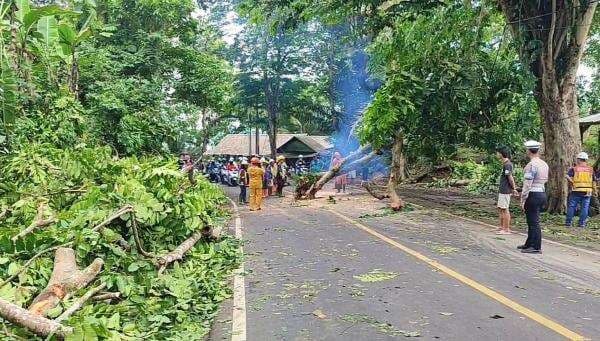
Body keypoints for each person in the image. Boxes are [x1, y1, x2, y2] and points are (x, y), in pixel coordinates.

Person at [518, 140, 549, 254]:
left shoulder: (531, 165)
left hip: (533, 193)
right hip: (542, 192)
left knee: (533, 221)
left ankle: (536, 246)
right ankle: (529, 243)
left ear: (528, 151)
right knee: (531, 220)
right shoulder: (544, 164)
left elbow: (527, 183)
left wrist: (523, 198)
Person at [566, 152, 596, 228]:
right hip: (587, 191)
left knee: (572, 206)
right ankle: (582, 224)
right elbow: (594, 180)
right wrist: (594, 190)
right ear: (586, 160)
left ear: (579, 159)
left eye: (577, 159)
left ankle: (568, 223)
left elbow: (567, 176)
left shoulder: (574, 169)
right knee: (585, 207)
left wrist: (572, 181)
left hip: (576, 190)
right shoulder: (590, 169)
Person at [495, 146, 518, 235]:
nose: (496, 154)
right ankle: (501, 227)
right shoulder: (504, 164)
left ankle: (506, 229)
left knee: (505, 209)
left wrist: (514, 188)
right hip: (502, 189)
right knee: (501, 208)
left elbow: (510, 177)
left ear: (501, 153)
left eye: (497, 153)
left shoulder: (508, 164)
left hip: (506, 190)